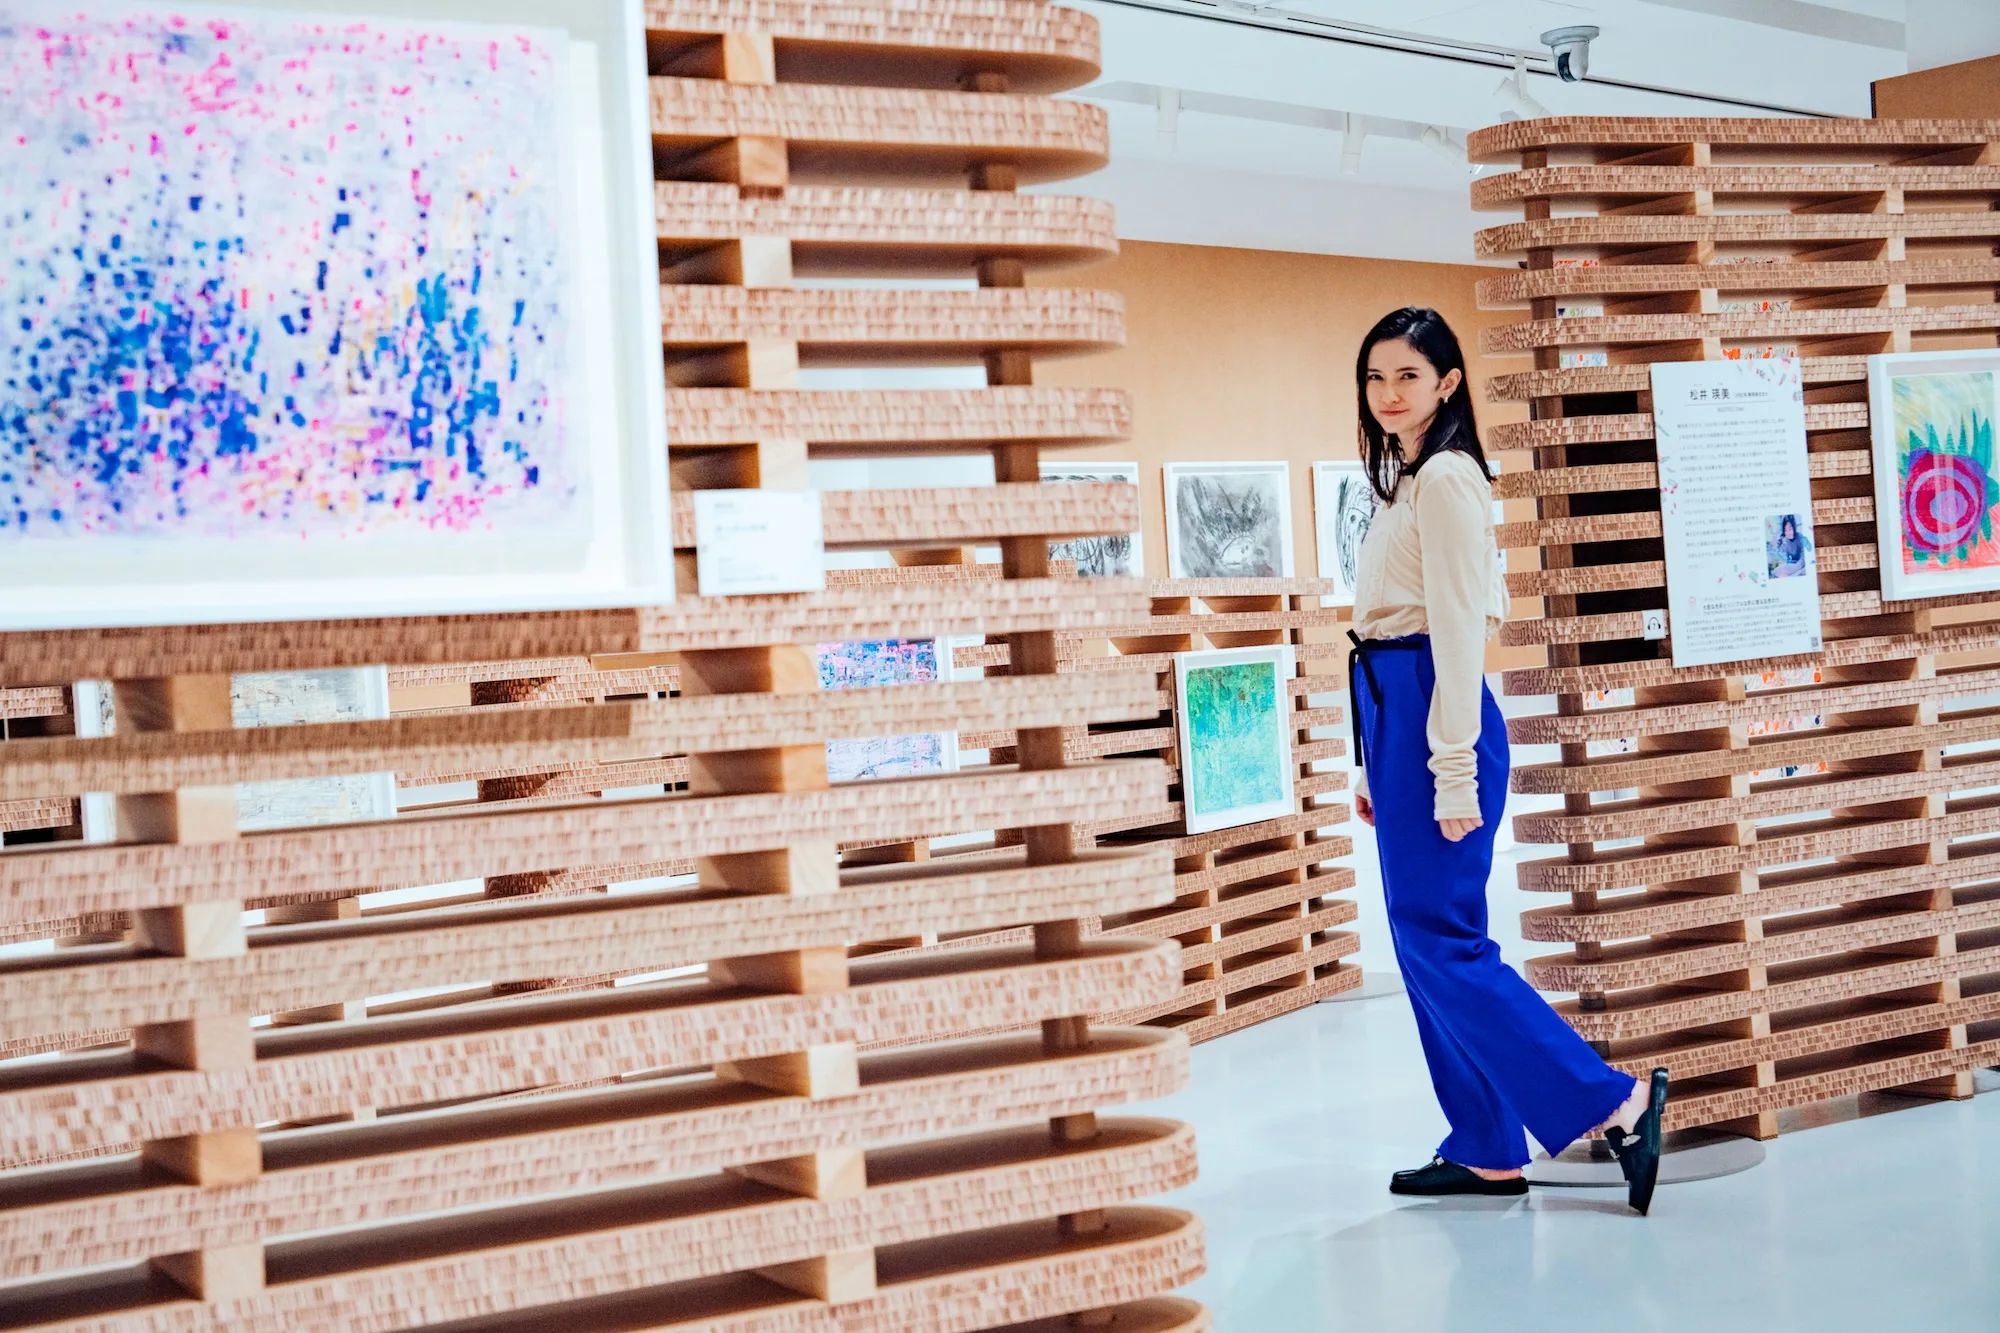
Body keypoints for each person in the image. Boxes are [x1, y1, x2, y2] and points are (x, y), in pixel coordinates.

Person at [1346, 307, 1669, 1215]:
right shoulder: (1411, 479)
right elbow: (1387, 629)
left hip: (1432, 713)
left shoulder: (1449, 478)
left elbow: (1455, 632)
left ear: (1447, 383)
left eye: (1408, 376)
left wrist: (1447, 767)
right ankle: (1486, 1144)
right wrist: (1374, 759)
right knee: (1425, 939)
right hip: (1400, 714)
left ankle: (1613, 1100)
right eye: (1375, 377)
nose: (1388, 393)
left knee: (1441, 941)